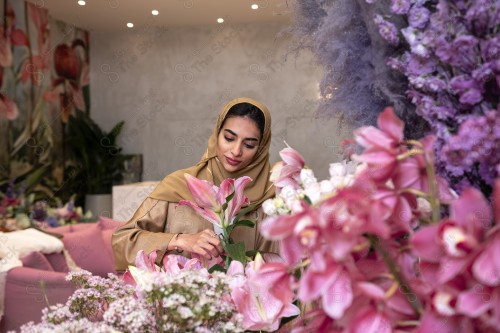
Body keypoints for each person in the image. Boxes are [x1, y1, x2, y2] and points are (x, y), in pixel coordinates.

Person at [112, 98, 277, 271]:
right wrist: (178, 240)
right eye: (229, 138)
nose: (236, 151)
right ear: (216, 135)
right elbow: (122, 241)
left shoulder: (271, 197)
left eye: (249, 144)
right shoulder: (178, 185)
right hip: (180, 295)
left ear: (261, 148)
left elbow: (287, 269)